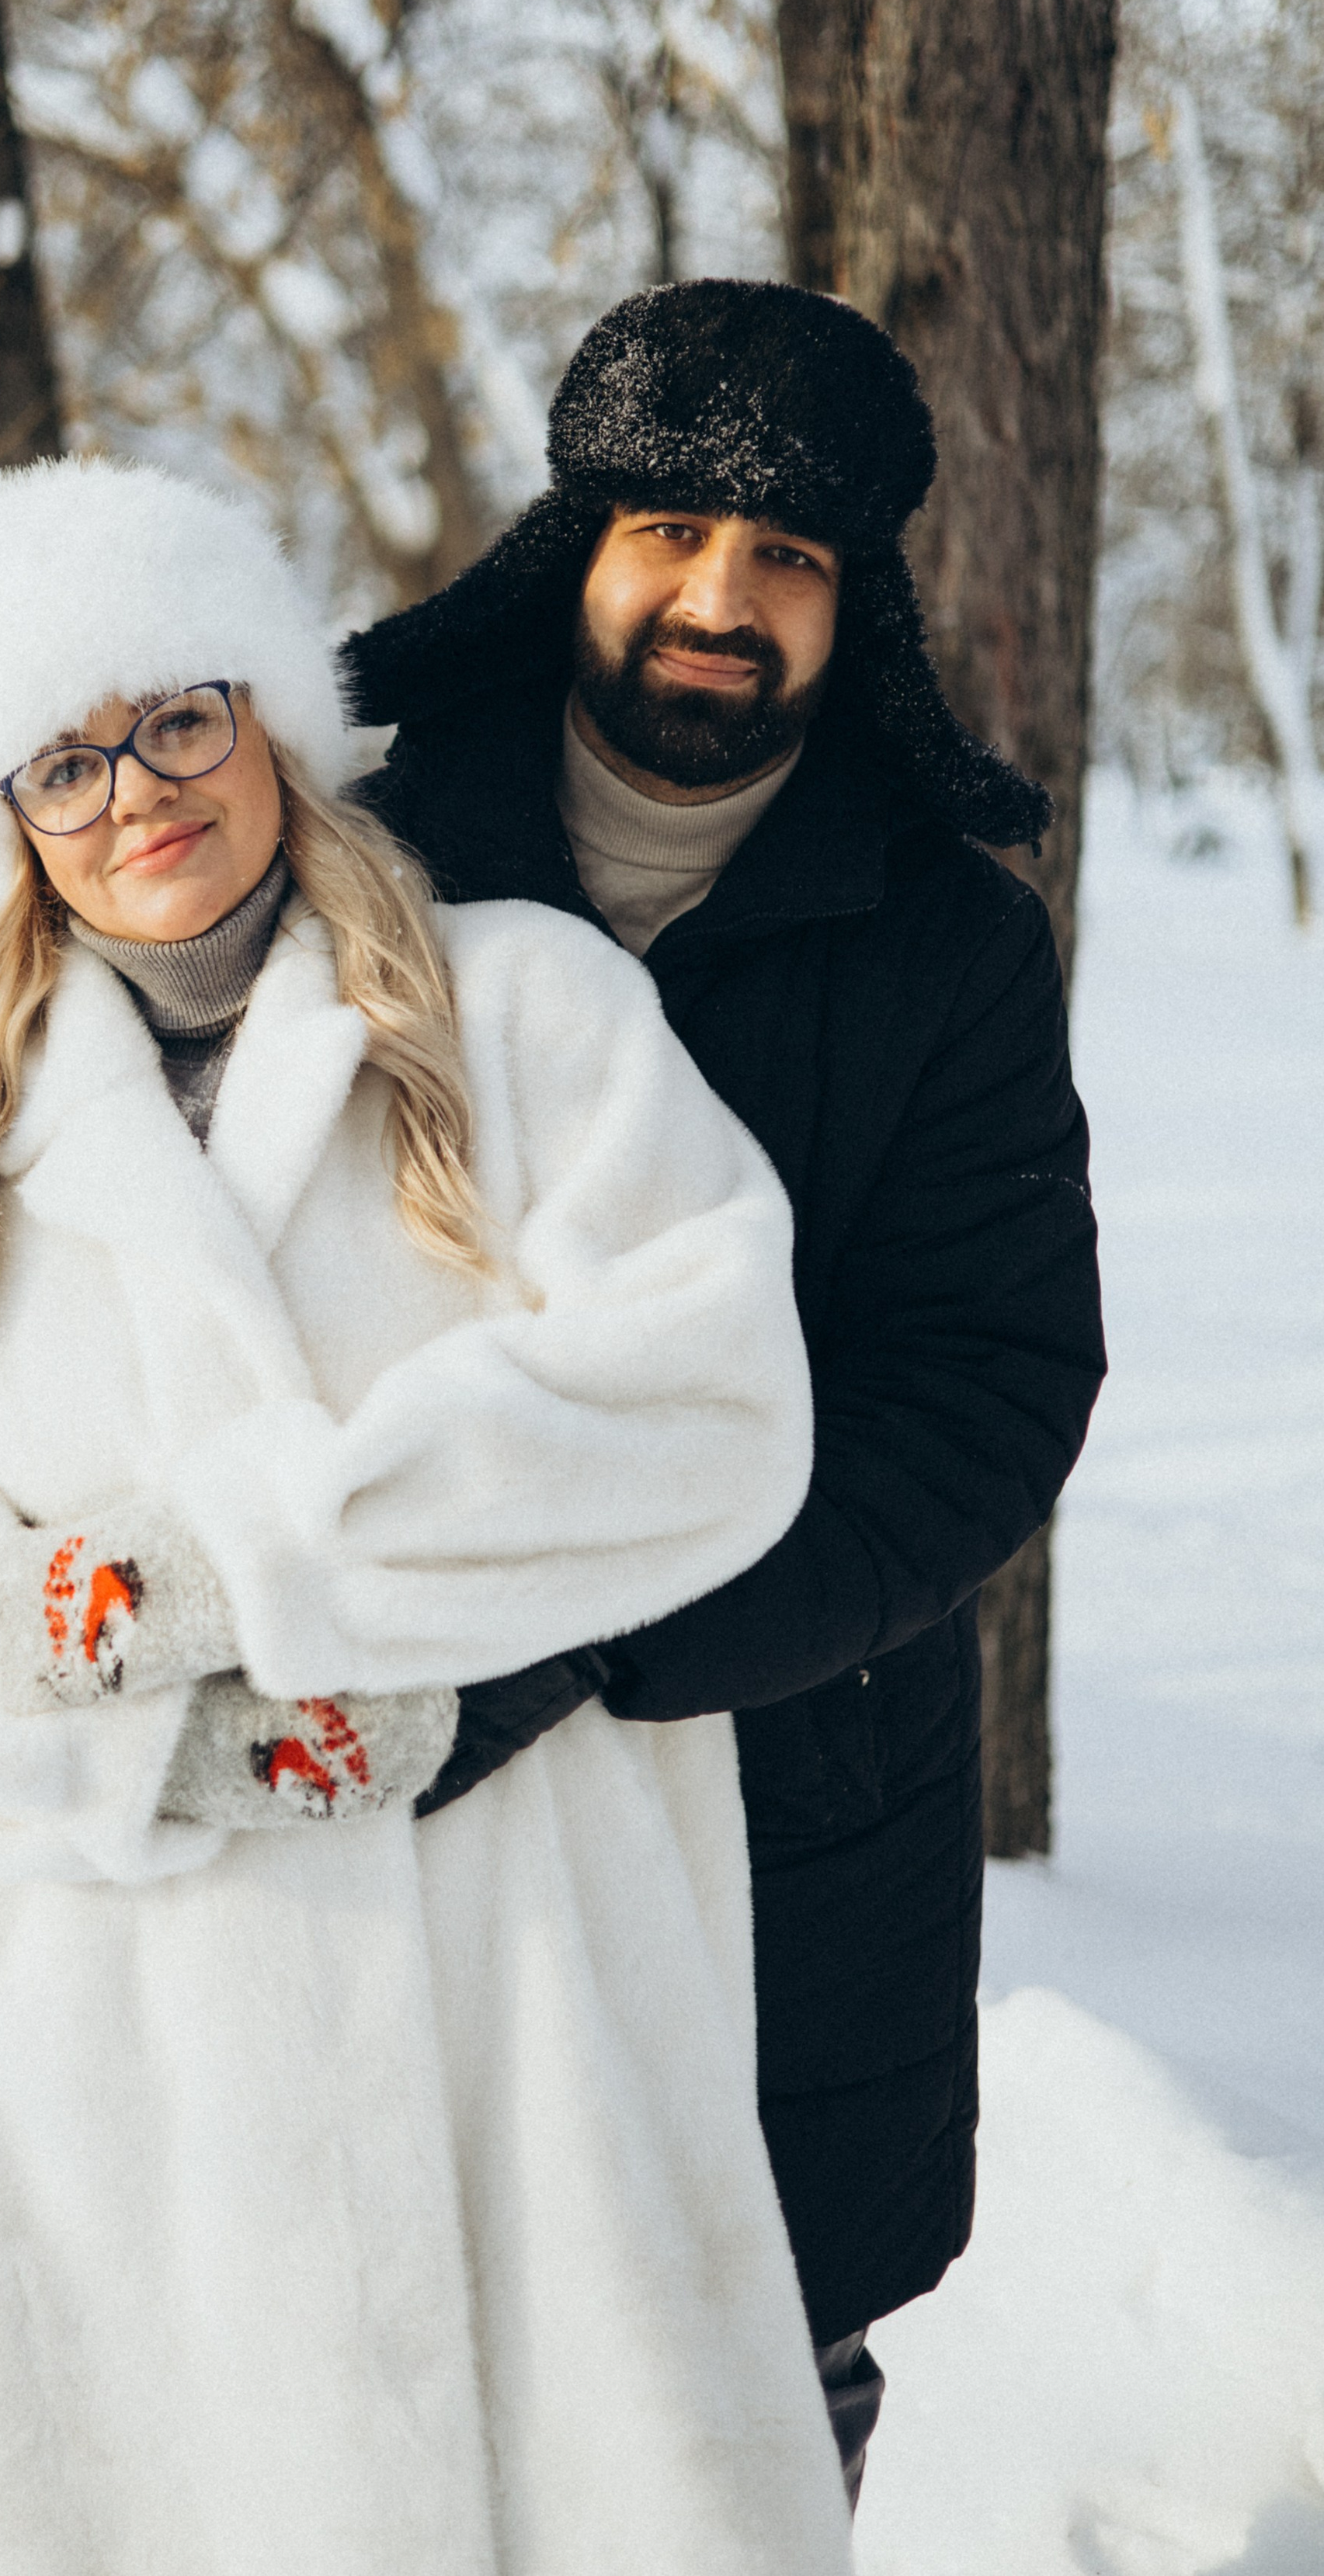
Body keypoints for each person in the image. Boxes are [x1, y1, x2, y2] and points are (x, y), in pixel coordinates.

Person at [0, 454, 857, 2576]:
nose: (136, 787)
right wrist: (99, 1662)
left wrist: (276, 1561)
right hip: (125, 2022)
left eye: (177, 714)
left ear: (269, 720)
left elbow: (710, 1401)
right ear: (9, 821)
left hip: (530, 1964)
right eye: (63, 759)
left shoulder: (527, 1010)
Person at [345, 276, 1109, 2504]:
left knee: (744, 2396)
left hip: (801, 1777)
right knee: (411, 2363)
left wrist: (622, 1632)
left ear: (851, 601)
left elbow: (987, 1380)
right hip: (403, 1769)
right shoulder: (366, 869)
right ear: (573, 547)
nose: (721, 595)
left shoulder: (947, 941)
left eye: (787, 556)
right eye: (674, 530)